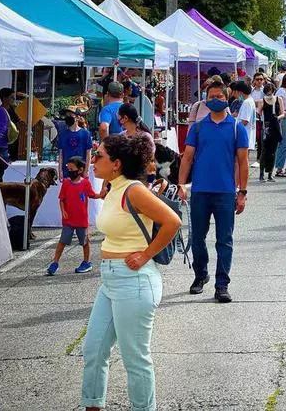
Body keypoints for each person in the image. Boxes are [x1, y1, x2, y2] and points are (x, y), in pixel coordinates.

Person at [81, 135, 181, 411]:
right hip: (111, 279)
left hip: (134, 281)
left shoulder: (133, 190)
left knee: (135, 358)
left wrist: (146, 254)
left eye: (98, 155)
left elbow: (172, 221)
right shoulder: (113, 188)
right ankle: (91, 405)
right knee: (93, 350)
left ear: (116, 164)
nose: (93, 159)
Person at [178, 81, 250, 303]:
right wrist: (181, 184)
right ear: (205, 99)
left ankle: (222, 285)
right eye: (212, 96)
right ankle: (201, 275)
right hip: (200, 191)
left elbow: (243, 161)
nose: (216, 99)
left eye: (220, 96)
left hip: (225, 193)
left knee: (224, 240)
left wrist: (242, 192)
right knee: (197, 238)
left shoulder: (237, 128)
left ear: (227, 99)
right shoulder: (198, 128)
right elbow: (187, 157)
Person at [48, 156, 100, 276]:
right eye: (68, 169)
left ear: (80, 170)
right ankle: (55, 262)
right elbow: (61, 199)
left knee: (85, 242)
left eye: (72, 169)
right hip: (68, 220)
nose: (70, 171)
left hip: (81, 220)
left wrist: (102, 194)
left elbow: (92, 195)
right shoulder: (66, 183)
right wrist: (63, 211)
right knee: (62, 241)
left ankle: (87, 262)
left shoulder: (85, 183)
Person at [57, 109, 94, 179]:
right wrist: (60, 171)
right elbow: (61, 154)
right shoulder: (63, 134)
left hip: (80, 171)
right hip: (67, 170)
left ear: (77, 117)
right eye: (66, 116)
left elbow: (88, 153)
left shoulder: (85, 134)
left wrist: (87, 170)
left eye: (70, 115)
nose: (68, 117)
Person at [259, 83, 284, 182]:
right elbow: (259, 112)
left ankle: (270, 174)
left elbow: (282, 113)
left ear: (274, 91)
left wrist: (278, 118)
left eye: (271, 91)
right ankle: (261, 174)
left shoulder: (279, 99)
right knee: (264, 151)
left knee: (273, 151)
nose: (269, 94)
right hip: (266, 126)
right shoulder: (262, 101)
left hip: (276, 126)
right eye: (267, 92)